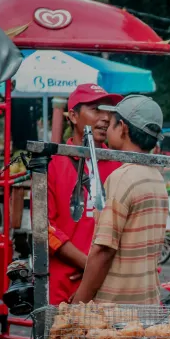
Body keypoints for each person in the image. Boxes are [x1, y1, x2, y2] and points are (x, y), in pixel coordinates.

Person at [72, 95, 169, 305]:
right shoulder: (155, 176)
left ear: (123, 127)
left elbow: (104, 250)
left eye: (112, 122)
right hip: (146, 305)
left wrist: (79, 301)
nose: (107, 126)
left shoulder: (122, 177)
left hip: (115, 311)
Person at [46, 84, 122, 305]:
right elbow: (45, 227)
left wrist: (96, 270)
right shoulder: (53, 164)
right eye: (96, 109)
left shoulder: (119, 164)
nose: (106, 117)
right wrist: (89, 265)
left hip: (110, 283)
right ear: (73, 115)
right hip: (65, 282)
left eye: (108, 110)